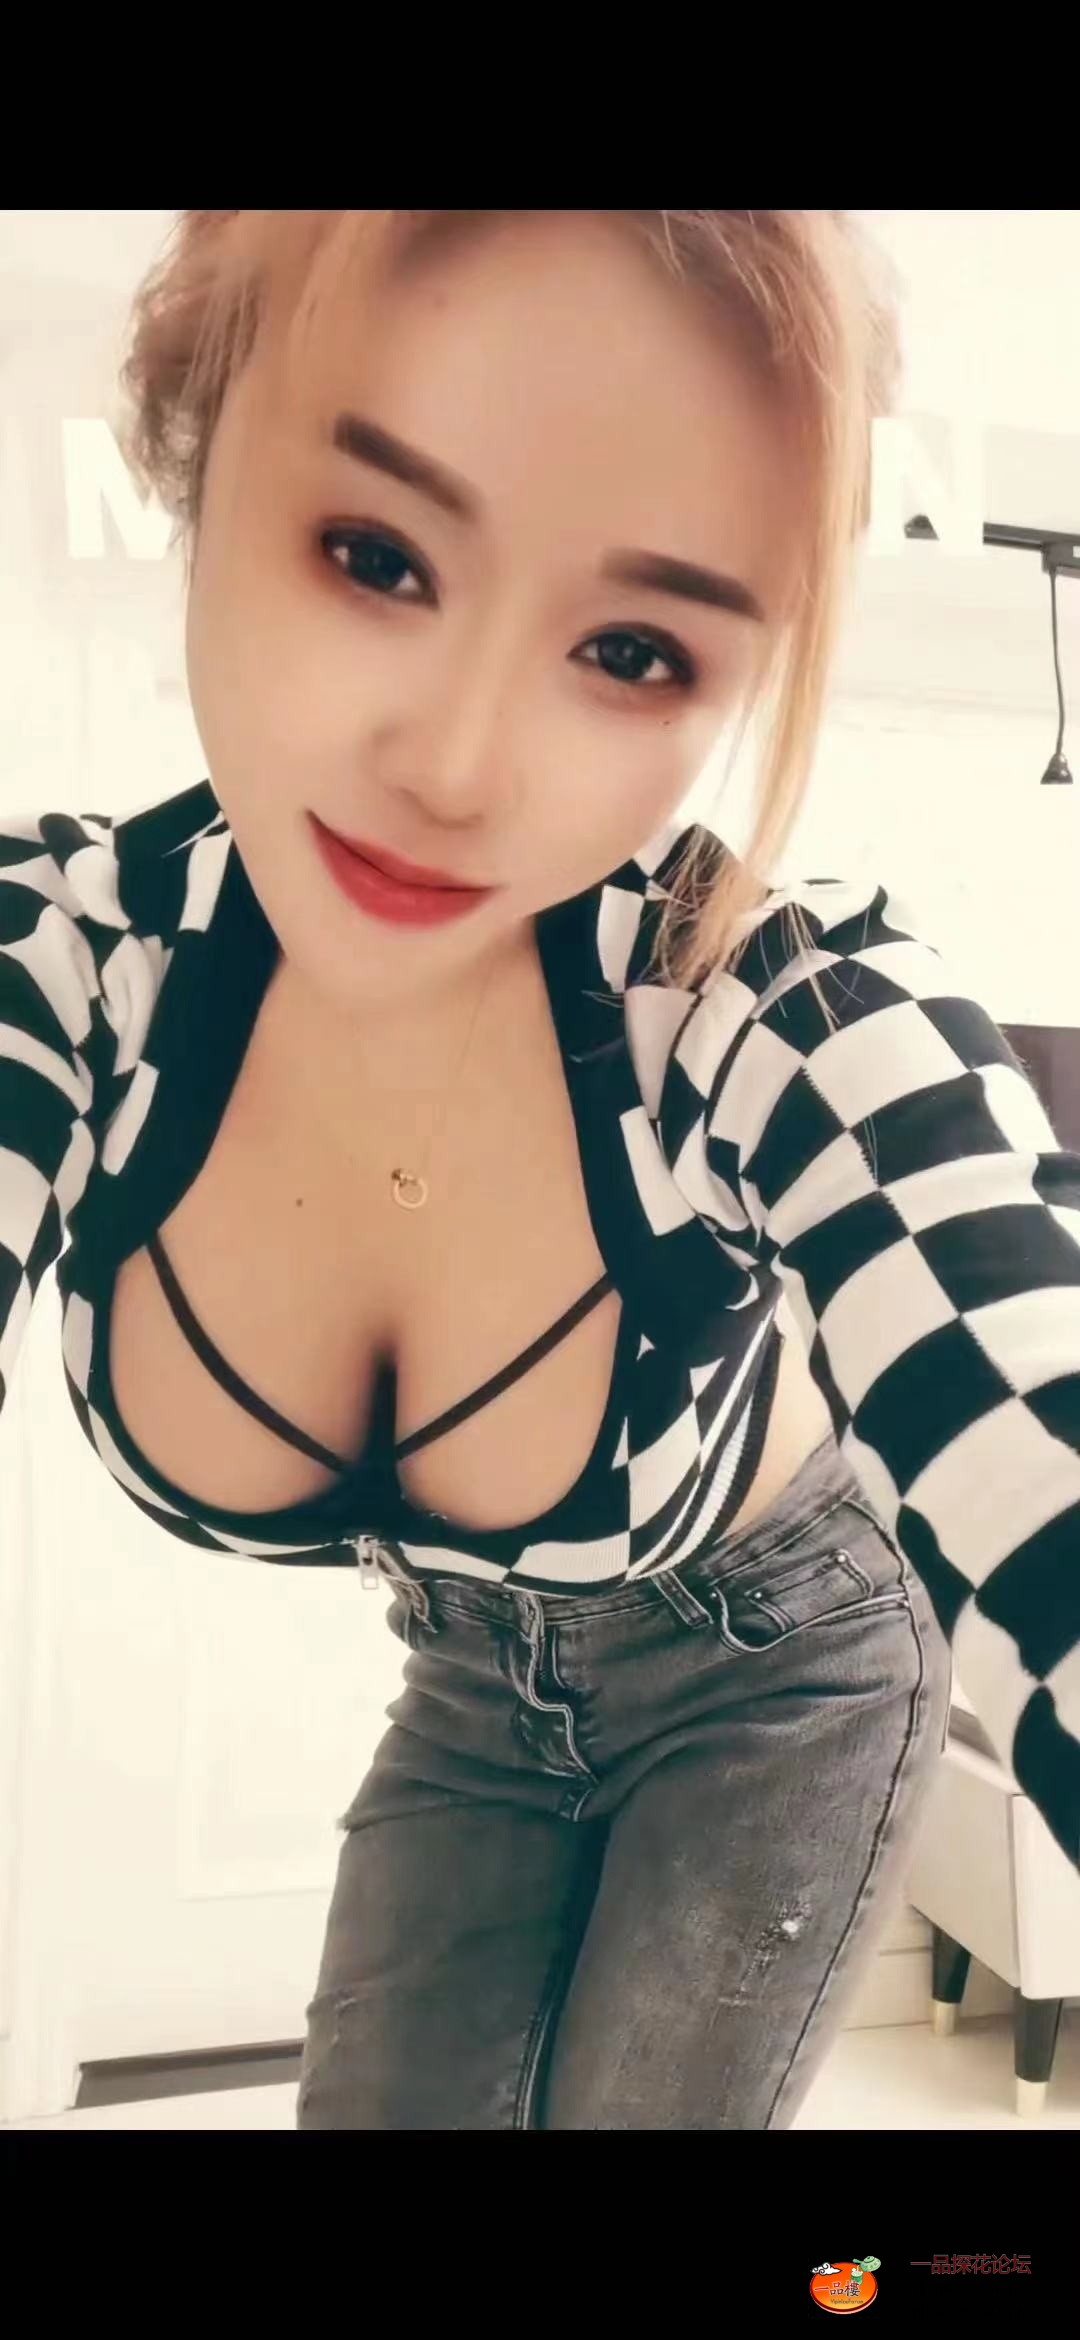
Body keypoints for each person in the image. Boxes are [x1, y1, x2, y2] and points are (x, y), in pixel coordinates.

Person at [1, 209, 1076, 2133]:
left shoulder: (760, 998)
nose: (461, 762)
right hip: (470, 1690)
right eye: (374, 554)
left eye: (634, 649)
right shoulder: (70, 973)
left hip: (788, 1671)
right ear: (196, 448)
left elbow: (1033, 1422)